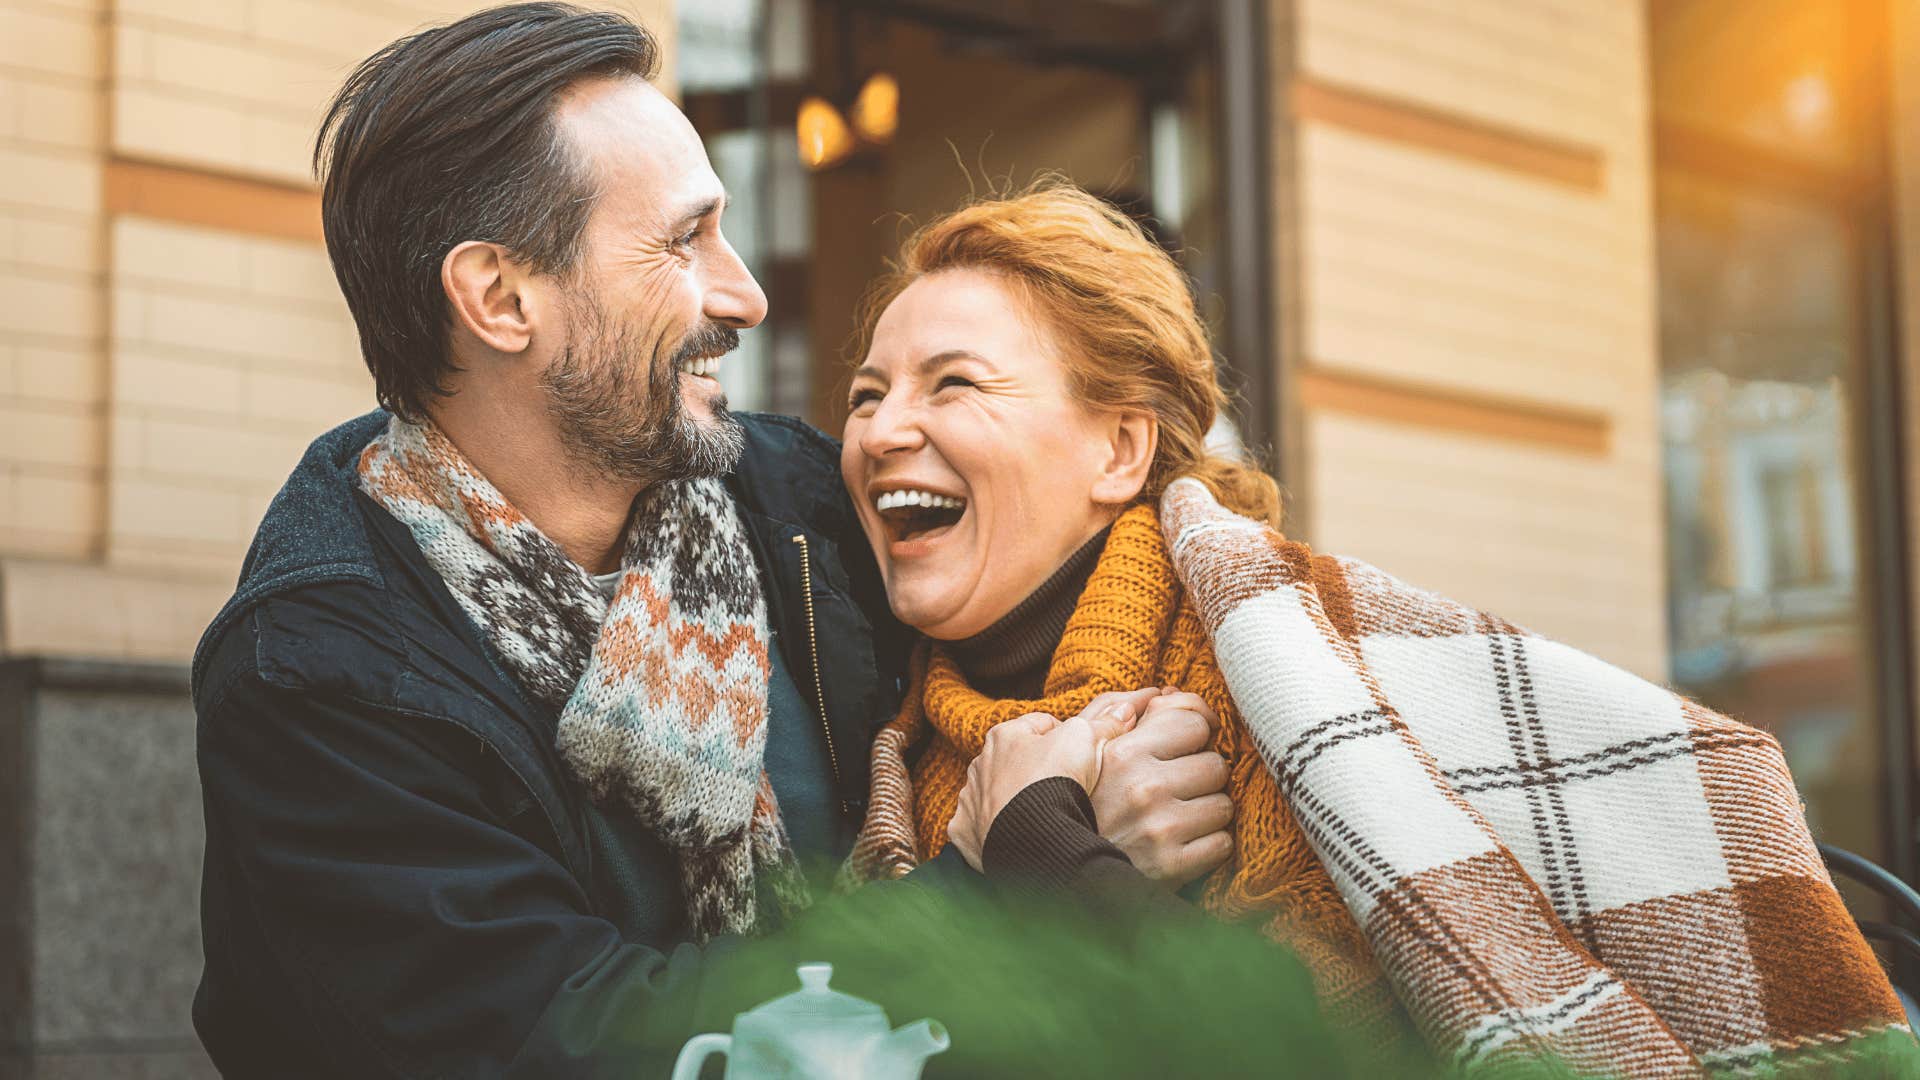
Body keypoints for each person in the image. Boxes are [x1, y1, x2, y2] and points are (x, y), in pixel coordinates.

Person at [189, 7, 1228, 1077]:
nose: (747, 293)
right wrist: (1011, 883)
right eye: (684, 242)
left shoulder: (799, 506)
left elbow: (1047, 580)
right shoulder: (322, 680)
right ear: (501, 298)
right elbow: (582, 1048)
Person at [839, 180, 1916, 1072]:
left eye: (955, 385)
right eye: (864, 395)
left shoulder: (1321, 677)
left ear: (1121, 449)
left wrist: (1039, 844)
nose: (885, 430)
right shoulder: (882, 741)